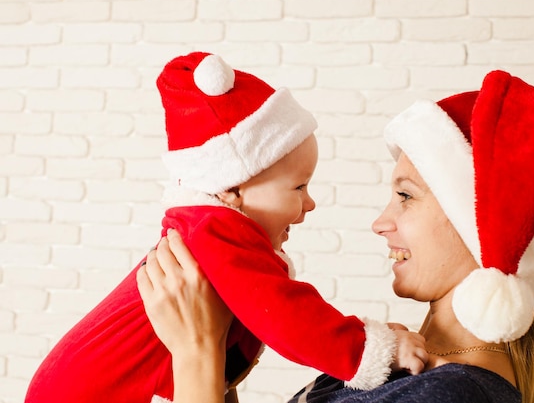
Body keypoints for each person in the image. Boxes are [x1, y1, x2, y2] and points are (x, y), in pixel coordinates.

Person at [137, 69, 534, 403]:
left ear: (483, 227)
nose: (380, 222)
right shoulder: (407, 362)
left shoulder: (451, 395)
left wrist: (198, 354)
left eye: (406, 197)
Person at [25, 52, 428, 403]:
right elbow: (285, 314)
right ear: (233, 188)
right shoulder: (214, 230)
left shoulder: (204, 230)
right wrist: (371, 349)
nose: (310, 203)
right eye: (299, 187)